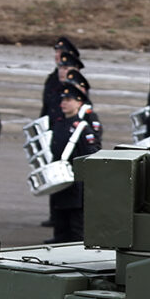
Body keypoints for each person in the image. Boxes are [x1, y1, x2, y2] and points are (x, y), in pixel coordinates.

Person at [46, 80, 102, 243]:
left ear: (79, 102)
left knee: (76, 230)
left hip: (76, 187)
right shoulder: (58, 124)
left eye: (68, 100)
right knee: (60, 227)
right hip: (60, 183)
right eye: (63, 100)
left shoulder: (83, 129)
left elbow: (91, 157)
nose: (63, 103)